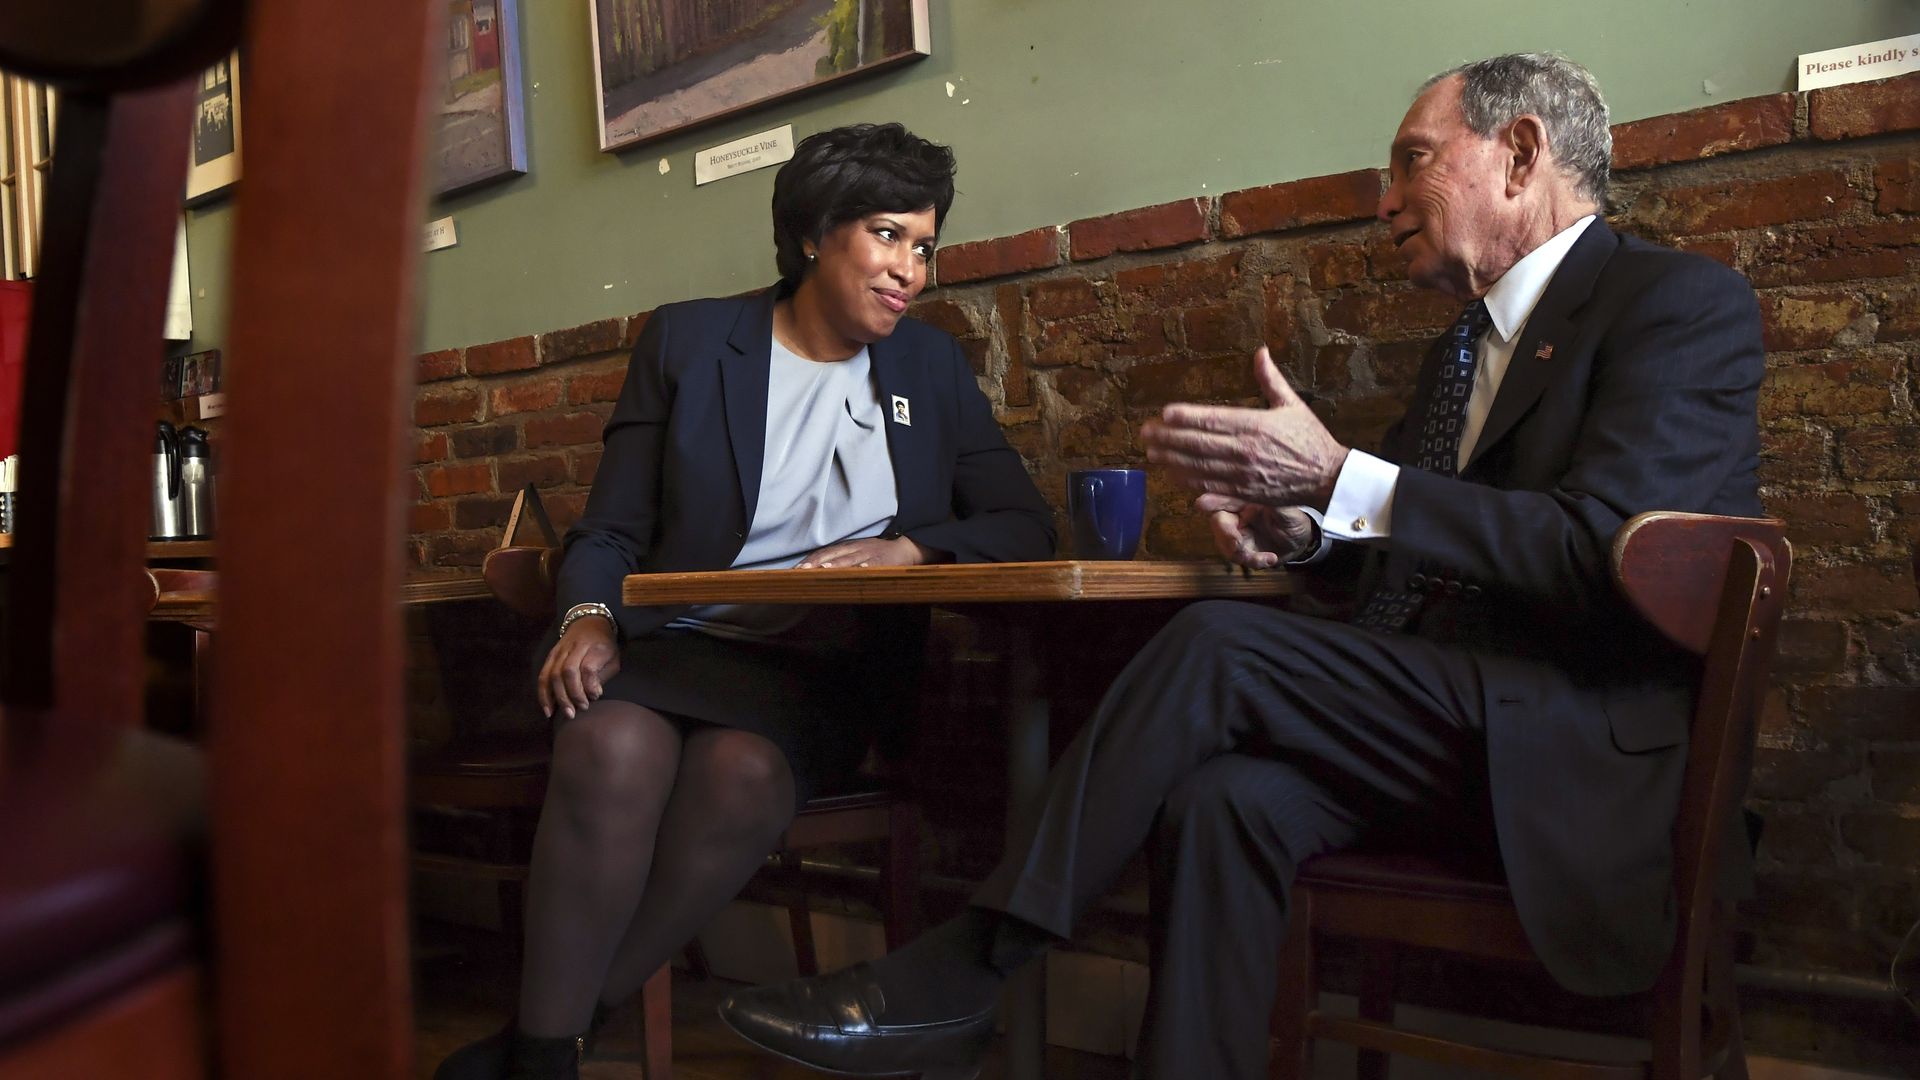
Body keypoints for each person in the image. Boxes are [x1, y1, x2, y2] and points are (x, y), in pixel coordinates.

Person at [720, 53, 1766, 1079]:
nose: (1386, 201)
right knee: (1223, 801)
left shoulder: (1677, 305)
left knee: (1224, 644)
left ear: (1520, 153)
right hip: (1440, 728)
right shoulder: (1464, 347)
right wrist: (1310, 537)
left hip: (1566, 747)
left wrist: (1346, 476)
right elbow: (1425, 546)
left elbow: (1603, 552)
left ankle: (967, 970)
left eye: (1411, 162)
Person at [433, 122, 1056, 1080]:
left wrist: (910, 548)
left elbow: (1024, 524)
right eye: (888, 236)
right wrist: (588, 618)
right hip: (676, 644)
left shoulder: (927, 369)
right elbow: (608, 530)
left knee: (743, 778)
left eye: (924, 246)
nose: (911, 271)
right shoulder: (689, 341)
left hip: (824, 670)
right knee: (607, 741)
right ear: (814, 234)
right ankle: (549, 1055)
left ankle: (543, 1042)